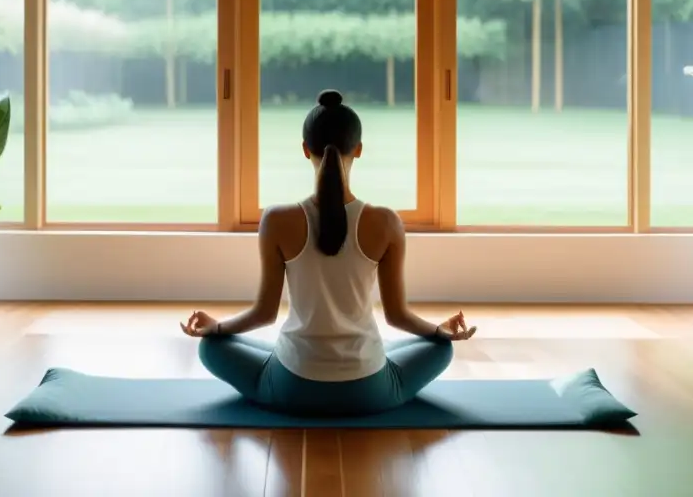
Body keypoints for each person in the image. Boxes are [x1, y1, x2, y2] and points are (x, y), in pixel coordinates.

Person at [181, 89, 476, 417]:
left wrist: (217, 327)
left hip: (292, 385)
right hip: (368, 389)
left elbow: (264, 314)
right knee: (440, 348)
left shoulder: (277, 220)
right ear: (359, 150)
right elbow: (397, 316)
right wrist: (439, 331)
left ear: (306, 149)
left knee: (212, 347)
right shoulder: (386, 222)